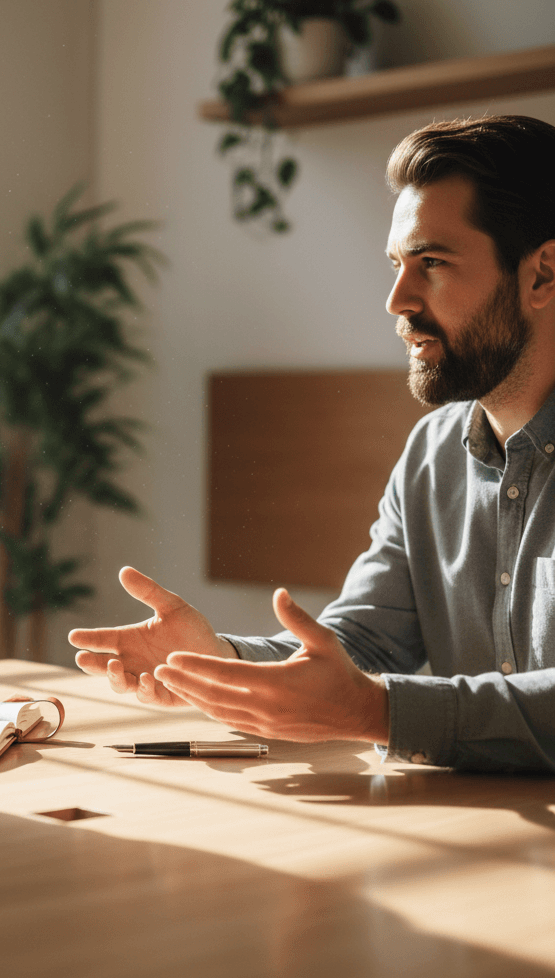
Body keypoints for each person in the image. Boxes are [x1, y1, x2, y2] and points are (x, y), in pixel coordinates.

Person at [70, 114, 555, 773]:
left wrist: (376, 713)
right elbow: (361, 644)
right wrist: (220, 659)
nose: (396, 299)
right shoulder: (431, 454)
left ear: (542, 274)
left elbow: (365, 697)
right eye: (396, 264)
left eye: (432, 263)